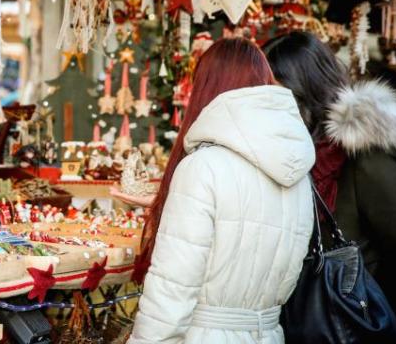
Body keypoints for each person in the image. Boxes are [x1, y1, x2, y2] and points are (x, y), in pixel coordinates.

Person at [129, 38, 315, 344]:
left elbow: (172, 288)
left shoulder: (203, 168)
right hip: (268, 333)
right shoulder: (298, 173)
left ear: (207, 88)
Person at [264, 31, 396, 341]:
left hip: (363, 325)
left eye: (275, 94)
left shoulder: (365, 157)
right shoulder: (289, 160)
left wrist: (389, 325)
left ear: (304, 92)